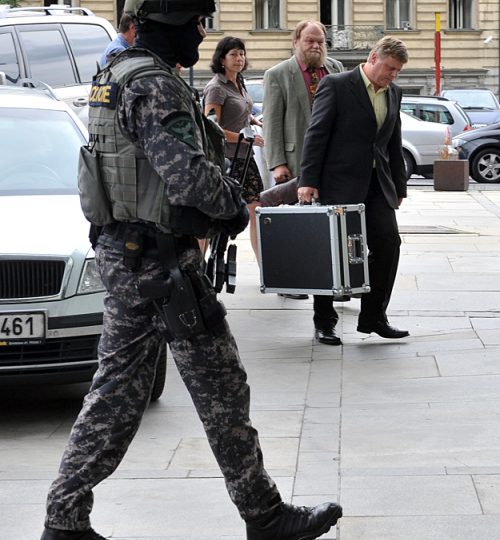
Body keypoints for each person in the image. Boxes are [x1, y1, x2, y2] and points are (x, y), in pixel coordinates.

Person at [40, 0, 342, 537]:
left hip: (133, 254)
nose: (202, 37)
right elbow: (187, 177)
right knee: (212, 385)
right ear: (172, 27)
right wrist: (232, 202)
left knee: (126, 389)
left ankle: (65, 517)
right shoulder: (154, 85)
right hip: (158, 264)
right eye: (197, 25)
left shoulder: (113, 75)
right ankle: (263, 515)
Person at [297, 36, 409, 346]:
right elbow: (316, 134)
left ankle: (374, 316)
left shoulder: (394, 92)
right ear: (373, 58)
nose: (392, 75)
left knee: (388, 244)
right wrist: (308, 179)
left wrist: (399, 185)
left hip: (377, 185)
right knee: (332, 253)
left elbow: (392, 142)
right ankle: (325, 322)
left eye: (398, 71)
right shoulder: (336, 85)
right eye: (389, 68)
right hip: (339, 183)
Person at [262, 20, 344, 300]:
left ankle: (334, 281)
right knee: (295, 227)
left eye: (320, 41)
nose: (316, 46)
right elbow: (271, 122)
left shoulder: (335, 69)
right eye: (310, 40)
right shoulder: (278, 74)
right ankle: (290, 282)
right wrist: (277, 163)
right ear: (296, 41)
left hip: (332, 161)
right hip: (295, 159)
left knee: (331, 223)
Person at [203, 36, 266, 264]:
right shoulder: (216, 88)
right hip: (226, 160)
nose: (239, 58)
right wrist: (243, 138)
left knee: (257, 209)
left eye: (241, 53)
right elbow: (211, 127)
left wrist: (251, 120)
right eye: (233, 54)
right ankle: (199, 266)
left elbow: (239, 109)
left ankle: (265, 267)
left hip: (244, 157)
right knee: (214, 214)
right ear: (222, 59)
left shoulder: (239, 82)